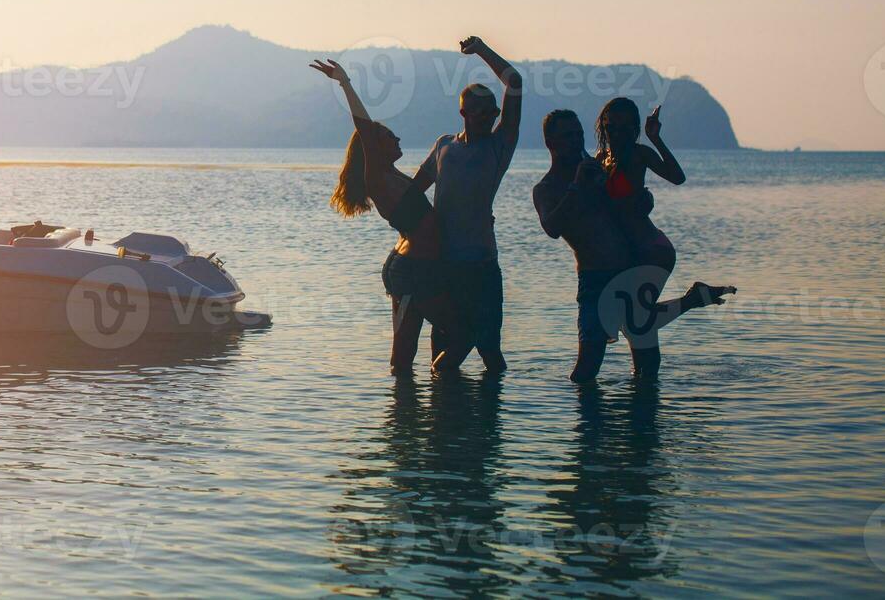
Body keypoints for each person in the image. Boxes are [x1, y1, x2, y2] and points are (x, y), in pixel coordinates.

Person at [533, 109, 735, 382]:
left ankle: (643, 421)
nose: (576, 141)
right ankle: (691, 300)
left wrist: (642, 198)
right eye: (567, 136)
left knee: (646, 366)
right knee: (585, 371)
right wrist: (577, 187)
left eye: (579, 134)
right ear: (550, 143)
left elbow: (634, 196)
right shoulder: (548, 187)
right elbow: (552, 228)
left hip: (630, 267)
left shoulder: (598, 170)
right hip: (594, 280)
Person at [311, 58, 472, 376]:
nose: (397, 139)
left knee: (404, 351)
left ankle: (403, 418)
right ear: (373, 147)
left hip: (412, 267)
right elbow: (365, 129)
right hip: (413, 273)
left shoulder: (393, 174)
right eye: (389, 136)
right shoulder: (378, 179)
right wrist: (345, 83)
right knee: (463, 333)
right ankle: (436, 399)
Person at [408, 36, 522, 374]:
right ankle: (444, 419)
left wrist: (482, 49)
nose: (489, 117)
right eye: (481, 112)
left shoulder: (498, 147)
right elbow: (414, 193)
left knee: (489, 350)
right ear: (464, 113)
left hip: (481, 265)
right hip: (442, 263)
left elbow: (514, 82)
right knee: (441, 347)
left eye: (493, 112)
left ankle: (490, 422)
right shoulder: (444, 146)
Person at [594, 98, 684, 275]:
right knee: (632, 304)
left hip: (651, 249)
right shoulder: (600, 159)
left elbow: (677, 178)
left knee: (637, 304)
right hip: (625, 251)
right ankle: (692, 298)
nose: (617, 133)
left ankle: (692, 299)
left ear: (633, 129)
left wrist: (655, 139)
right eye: (611, 127)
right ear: (604, 128)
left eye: (624, 128)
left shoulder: (639, 154)